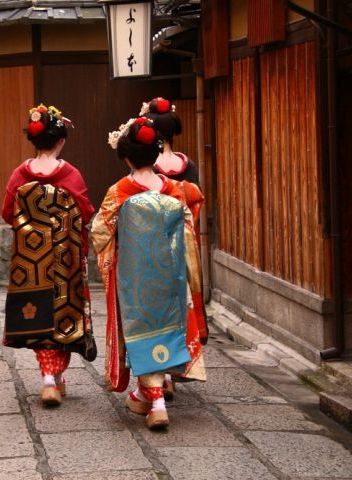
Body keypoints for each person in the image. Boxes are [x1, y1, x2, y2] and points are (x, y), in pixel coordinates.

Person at [91, 116, 206, 430]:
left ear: (126, 157)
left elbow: (100, 232)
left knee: (142, 332)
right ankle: (155, 391)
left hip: (135, 279)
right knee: (168, 327)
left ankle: (154, 401)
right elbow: (188, 230)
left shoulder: (120, 191)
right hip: (171, 278)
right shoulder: (175, 190)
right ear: (156, 155)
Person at [1, 104, 96, 408]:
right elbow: (85, 212)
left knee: (37, 315)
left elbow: (7, 214)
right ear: (60, 140)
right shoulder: (71, 175)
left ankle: (48, 377)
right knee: (63, 315)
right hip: (64, 259)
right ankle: (53, 377)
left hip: (31, 262)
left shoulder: (20, 174)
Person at [142, 97, 209, 401]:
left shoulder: (148, 169)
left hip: (152, 244)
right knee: (182, 305)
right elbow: (194, 203)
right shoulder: (187, 165)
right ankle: (176, 366)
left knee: (158, 309)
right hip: (182, 244)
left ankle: (162, 373)